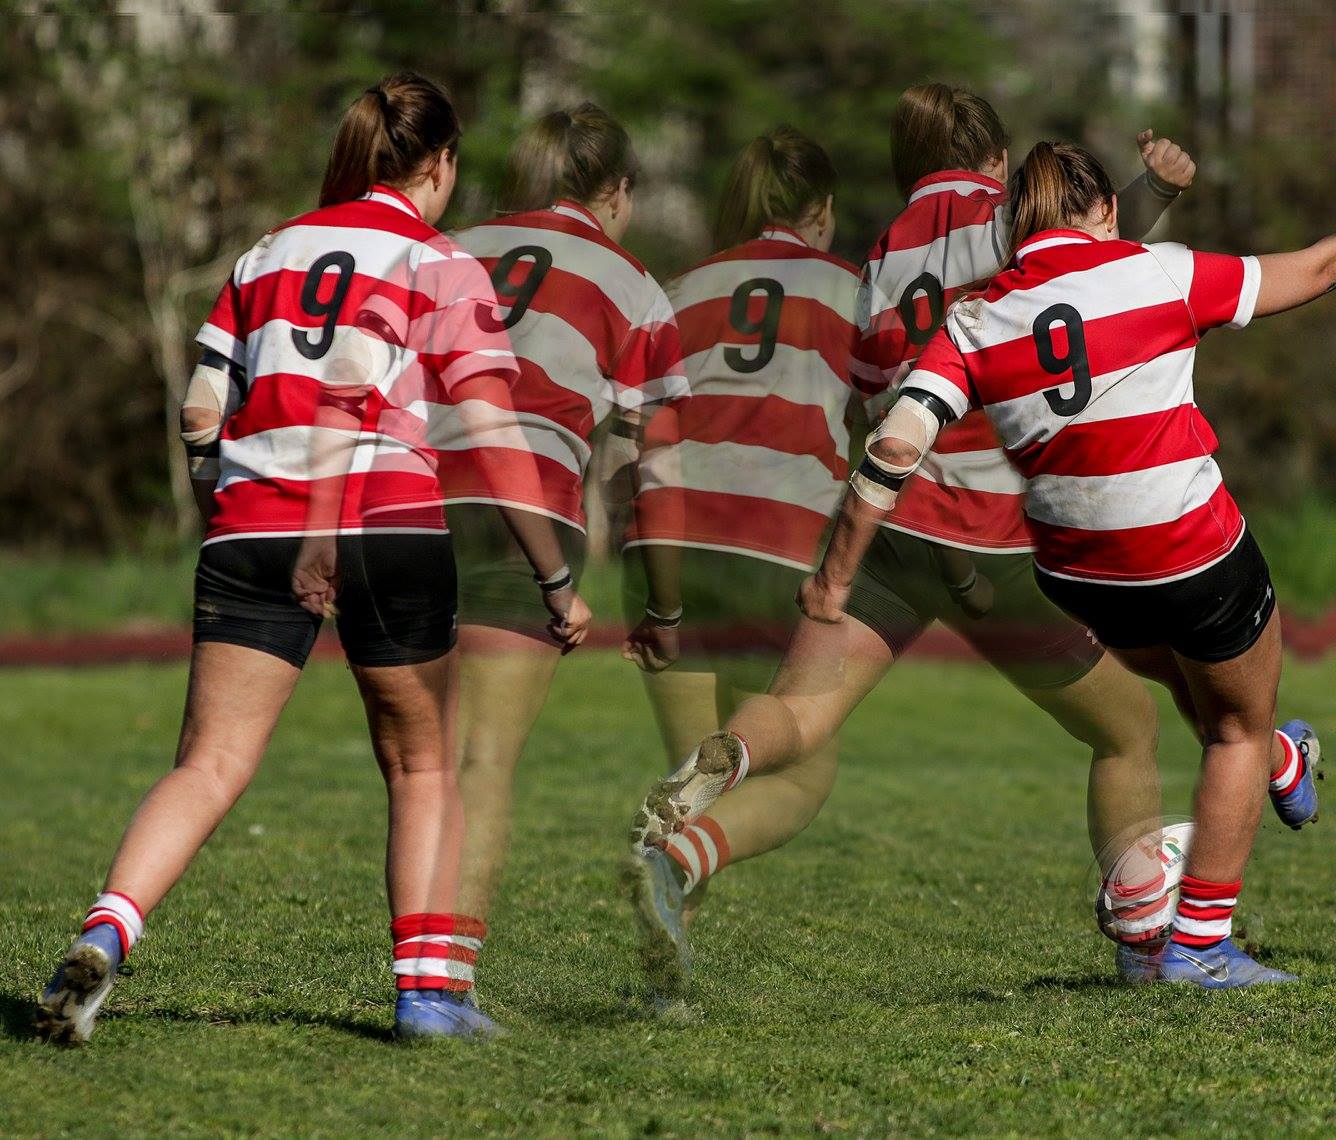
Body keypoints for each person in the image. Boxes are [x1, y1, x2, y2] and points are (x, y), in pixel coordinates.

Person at [793, 141, 1336, 987]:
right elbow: (1326, 265)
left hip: (1079, 579)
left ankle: (1285, 765)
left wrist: (832, 579)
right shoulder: (1158, 272)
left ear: (1014, 227)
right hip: (1186, 547)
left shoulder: (973, 320)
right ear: (1106, 211)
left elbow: (889, 456)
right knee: (1235, 726)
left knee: (1209, 689)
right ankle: (1198, 947)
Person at [626, 85, 1210, 999]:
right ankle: (1145, 954)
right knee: (1128, 729)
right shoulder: (1009, 212)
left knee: (801, 712)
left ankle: (708, 792)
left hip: (893, 523)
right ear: (998, 159)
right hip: (995, 532)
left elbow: (868, 387)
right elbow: (1087, 261)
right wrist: (1158, 188)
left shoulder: (887, 245)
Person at [34, 72, 579, 1045]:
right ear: (439, 164)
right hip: (391, 522)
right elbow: (495, 436)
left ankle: (107, 935)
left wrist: (224, 507)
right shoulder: (442, 262)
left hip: (255, 522)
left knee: (208, 765)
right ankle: (427, 999)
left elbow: (204, 408)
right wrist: (556, 577)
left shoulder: (269, 250)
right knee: (421, 766)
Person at [617, 127, 864, 936]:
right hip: (778, 545)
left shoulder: (680, 288)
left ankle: (665, 974)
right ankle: (680, 866)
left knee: (692, 775)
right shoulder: (852, 290)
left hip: (673, 550)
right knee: (802, 771)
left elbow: (638, 437)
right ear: (822, 212)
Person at [446, 104, 681, 926]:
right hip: (530, 509)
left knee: (419, 763)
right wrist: (661, 600)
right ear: (616, 191)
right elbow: (644, 461)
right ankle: (442, 984)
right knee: (483, 760)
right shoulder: (634, 285)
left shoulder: (454, 248)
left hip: (407, 502)